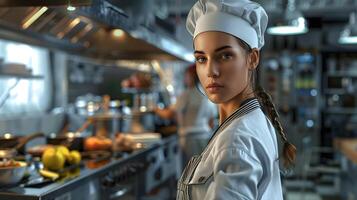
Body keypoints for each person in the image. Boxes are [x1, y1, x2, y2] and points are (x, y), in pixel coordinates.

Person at [176, 0, 297, 199]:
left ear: (252, 58)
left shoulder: (236, 140)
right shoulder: (252, 119)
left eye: (224, 56)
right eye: (201, 59)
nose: (210, 72)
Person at [154, 64, 217, 166]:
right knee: (202, 169)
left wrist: (155, 110)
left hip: (189, 139)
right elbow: (211, 120)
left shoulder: (187, 94)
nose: (185, 78)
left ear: (192, 76)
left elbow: (169, 114)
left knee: (189, 171)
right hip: (205, 136)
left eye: (186, 75)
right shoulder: (208, 93)